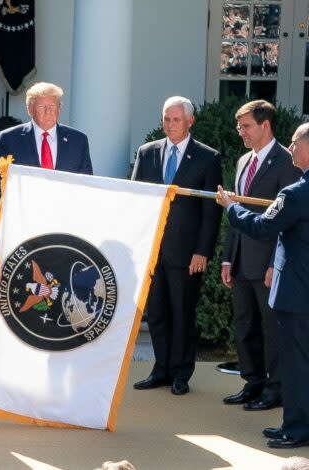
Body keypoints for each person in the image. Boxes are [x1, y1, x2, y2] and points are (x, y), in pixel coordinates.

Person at [216, 121, 309, 449]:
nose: (290, 148)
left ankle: (300, 432)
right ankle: (293, 423)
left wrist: (232, 208)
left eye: (295, 143)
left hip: (296, 290)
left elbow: (263, 227)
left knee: (299, 363)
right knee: (302, 361)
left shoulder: (295, 193)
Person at [131, 96, 223, 395]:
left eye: (176, 120)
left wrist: (203, 250)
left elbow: (211, 211)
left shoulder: (208, 158)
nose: (170, 125)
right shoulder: (147, 153)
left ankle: (182, 373)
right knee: (156, 312)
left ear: (190, 121)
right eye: (166, 119)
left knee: (182, 313)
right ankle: (161, 368)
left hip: (187, 253)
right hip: (152, 250)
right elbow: (136, 200)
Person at [221, 100, 301, 411]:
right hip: (241, 260)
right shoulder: (243, 161)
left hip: (267, 263)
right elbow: (236, 211)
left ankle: (275, 387)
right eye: (239, 126)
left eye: (246, 126)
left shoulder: (286, 162)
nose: (240, 131)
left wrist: (273, 264)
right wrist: (228, 257)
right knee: (244, 324)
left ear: (265, 125)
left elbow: (287, 219)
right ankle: (252, 381)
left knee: (271, 328)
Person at [0, 81, 93, 232]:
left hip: (65, 227)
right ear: (30, 109)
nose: (48, 111)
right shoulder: (9, 139)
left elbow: (87, 186)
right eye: (42, 106)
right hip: (23, 226)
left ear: (59, 109)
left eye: (53, 106)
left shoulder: (78, 140)